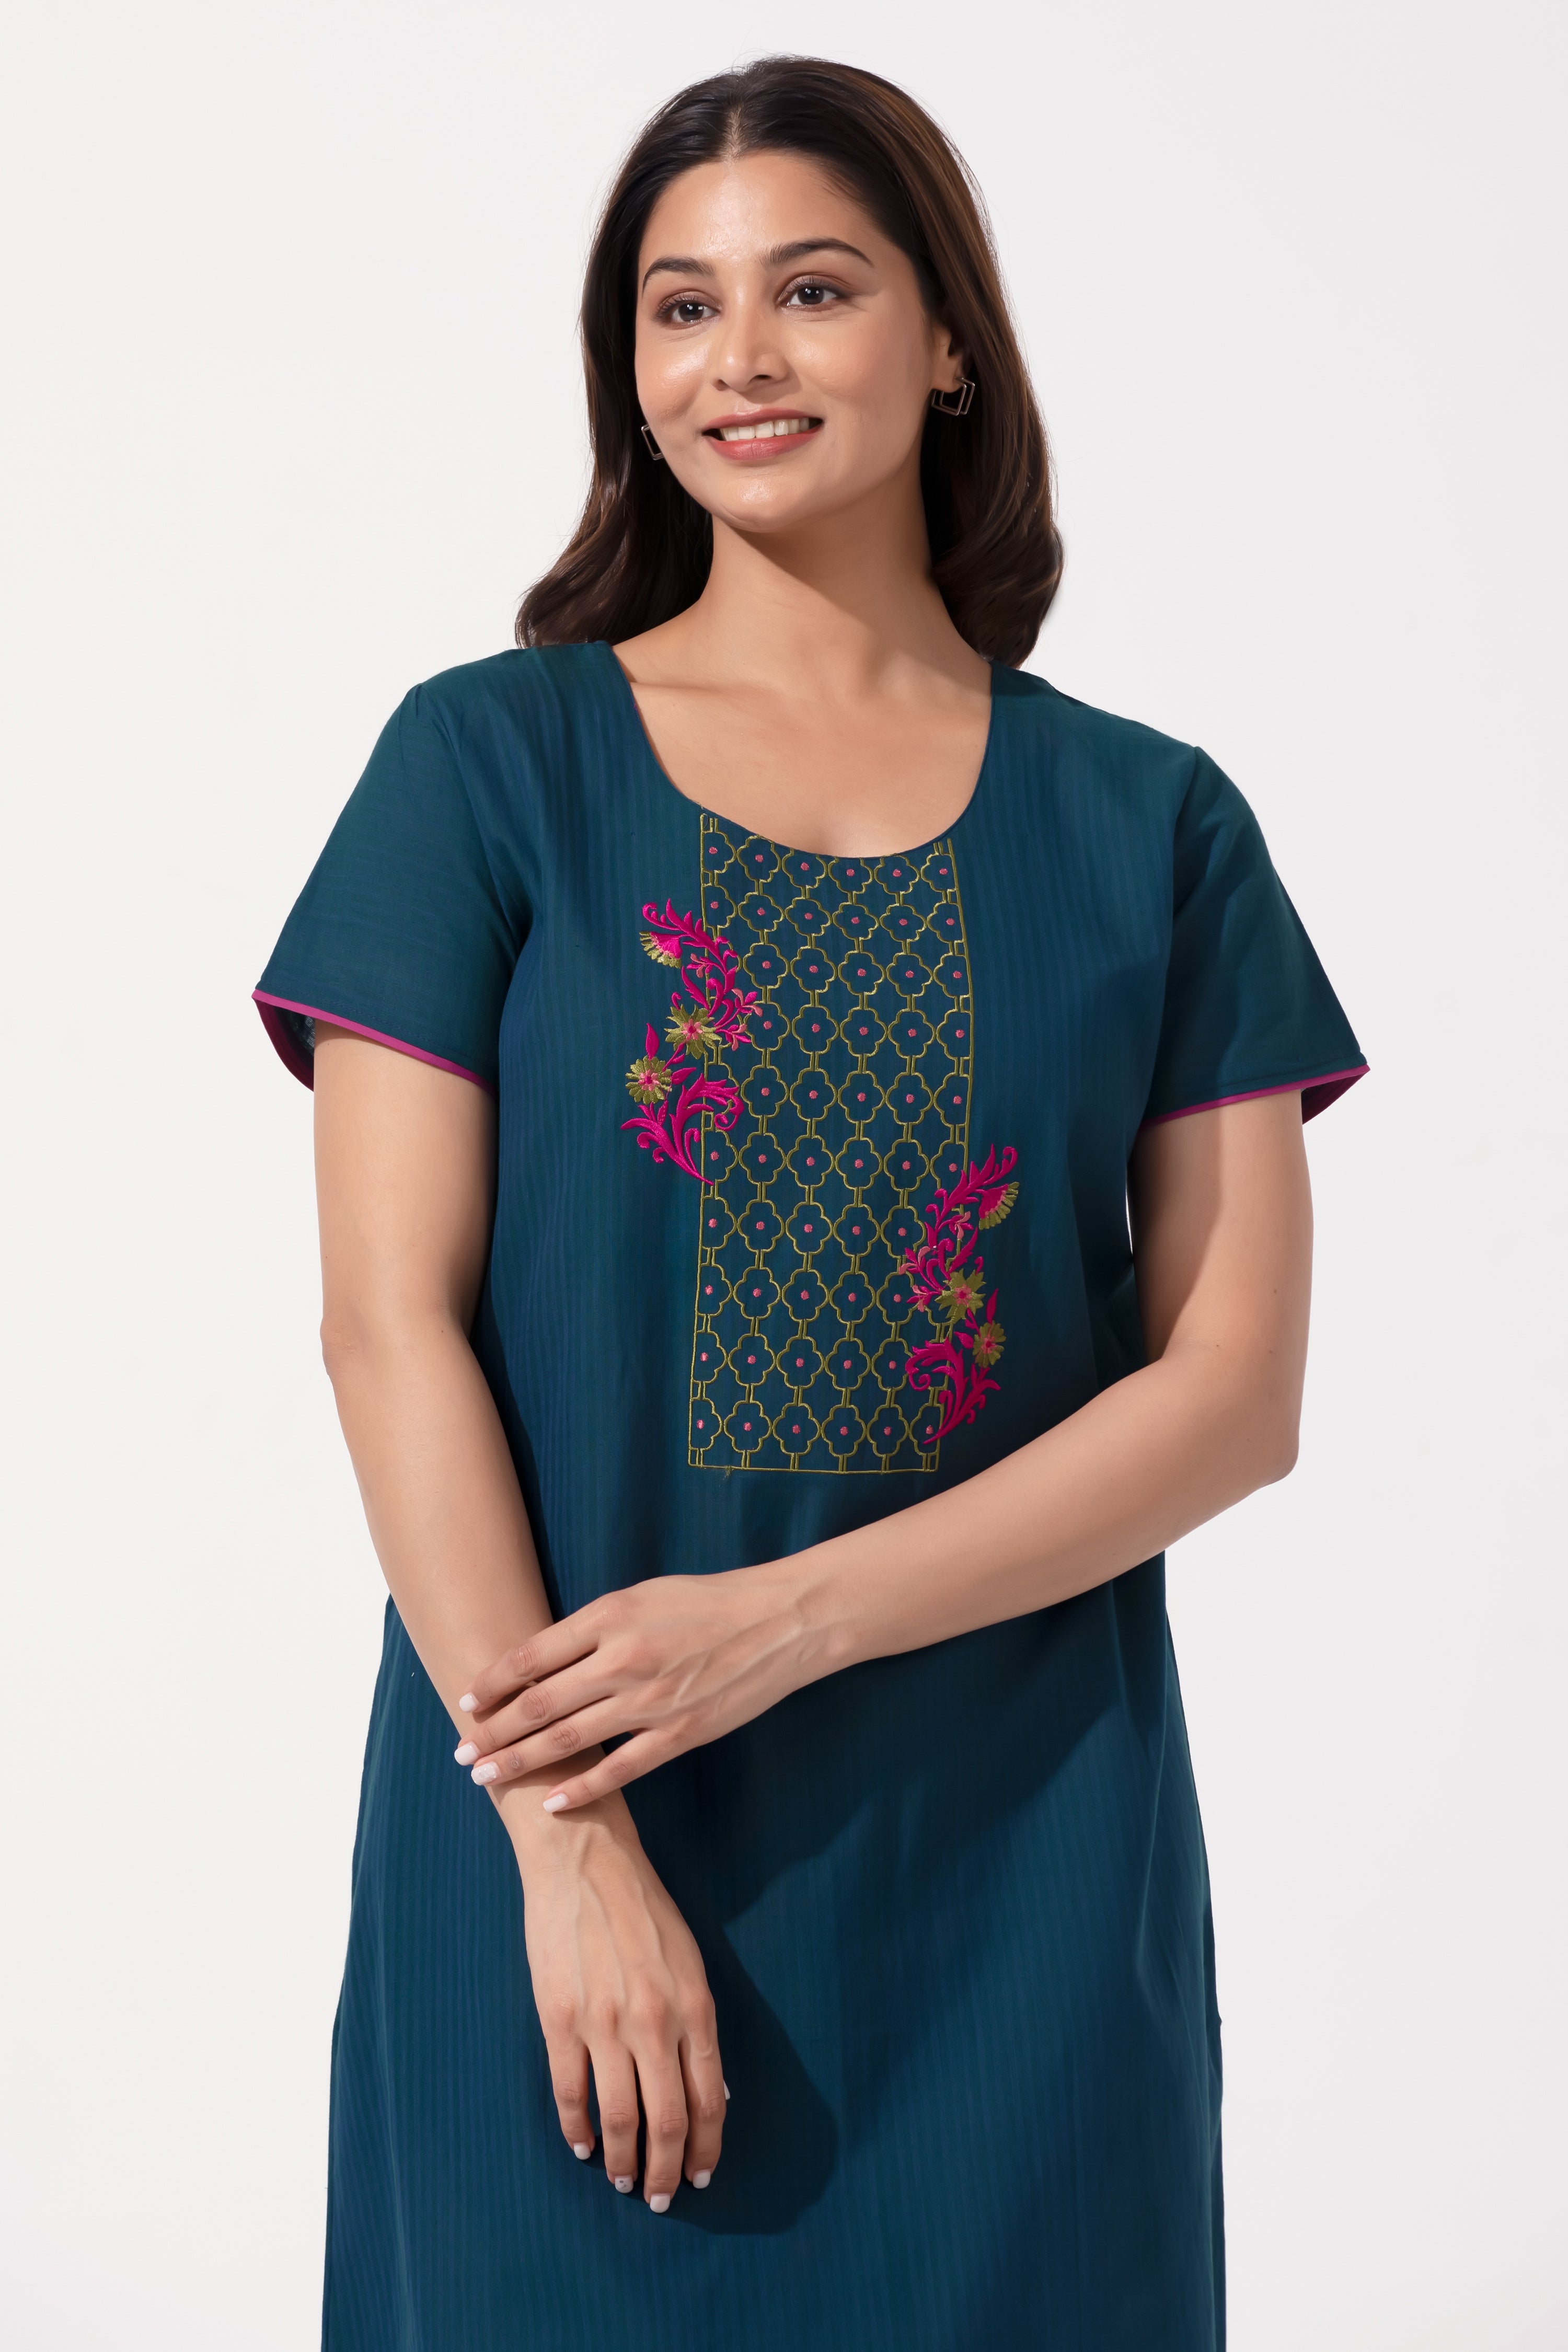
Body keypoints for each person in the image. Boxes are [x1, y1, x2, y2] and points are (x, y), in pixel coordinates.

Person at [255, 54, 1365, 2352]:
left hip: (1021, 1890)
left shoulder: (1154, 826)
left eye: (815, 289)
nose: (738, 357)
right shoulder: (488, 766)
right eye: (679, 306)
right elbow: (386, 1325)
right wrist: (566, 1846)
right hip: (562, 1850)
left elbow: (1234, 1393)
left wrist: (777, 1624)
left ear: (948, 337)